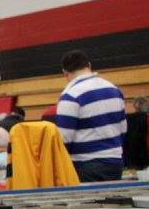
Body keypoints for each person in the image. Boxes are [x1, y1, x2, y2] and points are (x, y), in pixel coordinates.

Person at [53, 50, 126, 182]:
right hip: (115, 163)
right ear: (89, 65)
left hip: (85, 166)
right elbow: (122, 130)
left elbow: (64, 139)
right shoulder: (114, 89)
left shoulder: (70, 95)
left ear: (65, 73)